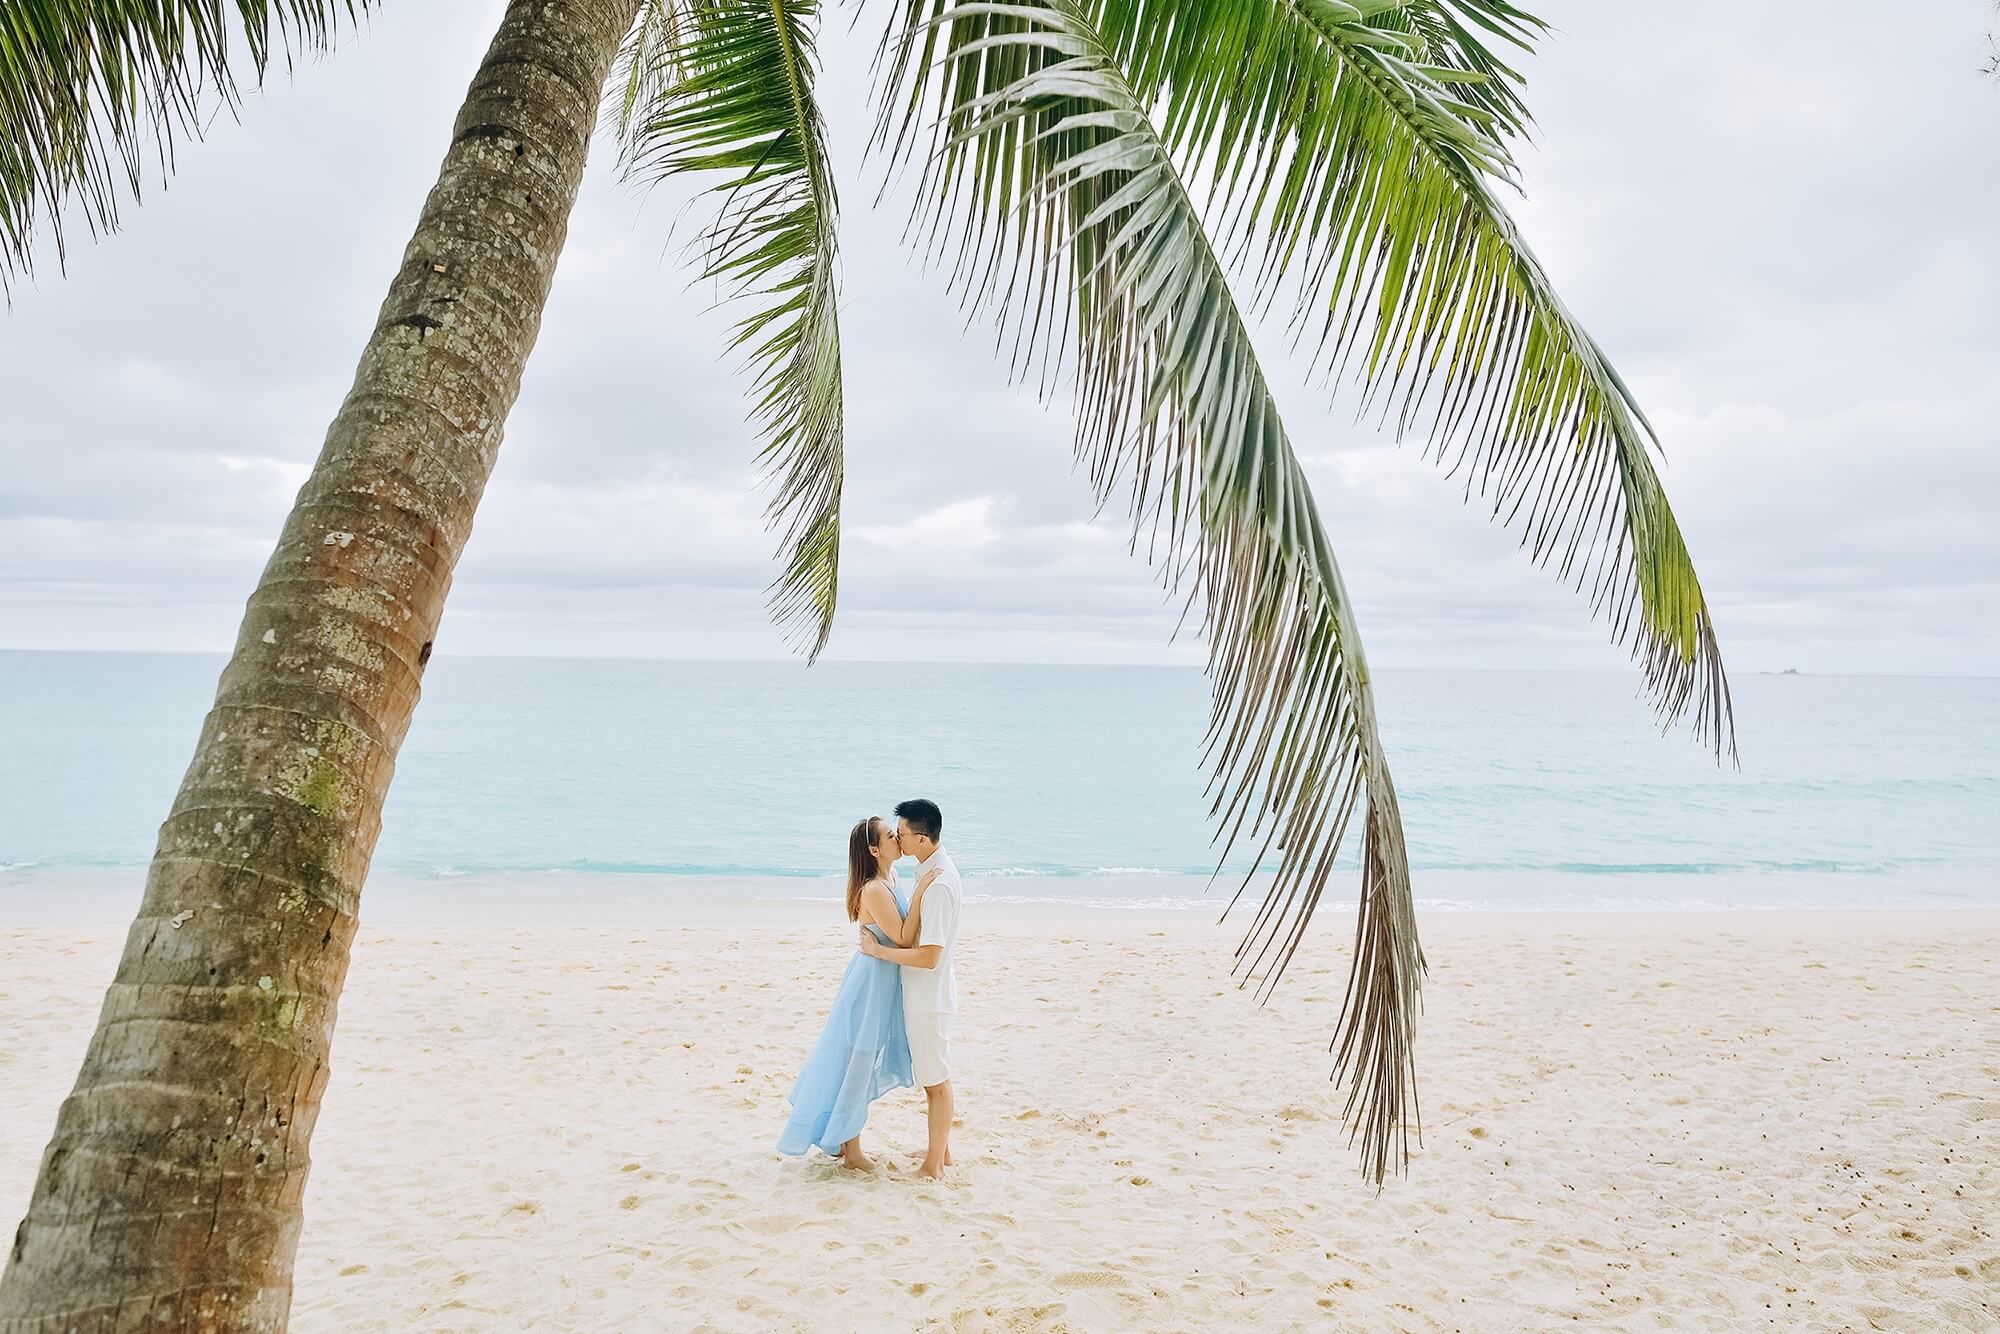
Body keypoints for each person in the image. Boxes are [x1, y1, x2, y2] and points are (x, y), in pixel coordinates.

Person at [778, 815, 938, 1169]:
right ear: (873, 849)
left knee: (858, 1063)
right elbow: (904, 938)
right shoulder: (875, 889)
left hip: (879, 980)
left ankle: (841, 1139)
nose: (898, 837)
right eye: (889, 835)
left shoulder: (890, 877)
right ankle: (852, 1150)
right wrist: (924, 890)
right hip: (869, 985)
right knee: (857, 1063)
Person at [858, 798, 961, 1179]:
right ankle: (942, 1151)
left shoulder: (937, 886)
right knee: (933, 1076)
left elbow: (929, 956)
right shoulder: (928, 873)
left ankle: (934, 1166)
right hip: (926, 996)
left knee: (936, 1082)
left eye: (901, 834)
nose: (897, 840)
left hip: (928, 998)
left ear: (921, 838)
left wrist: (879, 952)